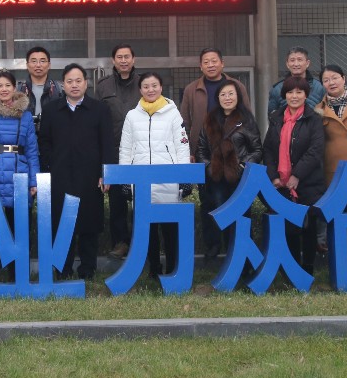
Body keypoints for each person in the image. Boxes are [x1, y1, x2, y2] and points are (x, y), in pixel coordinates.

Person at [38, 63, 116, 280]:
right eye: (69, 81)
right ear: (63, 84)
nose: (74, 85)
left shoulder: (99, 109)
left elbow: (107, 144)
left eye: (78, 81)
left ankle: (88, 269)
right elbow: (44, 142)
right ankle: (62, 269)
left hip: (90, 176)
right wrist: (51, 165)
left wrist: (105, 172)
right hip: (60, 176)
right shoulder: (51, 110)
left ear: (86, 83)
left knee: (89, 223)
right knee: (61, 223)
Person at [179, 47, 251, 260]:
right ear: (200, 66)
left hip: (233, 154)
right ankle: (212, 245)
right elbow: (184, 123)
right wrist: (189, 151)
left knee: (234, 199)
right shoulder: (192, 89)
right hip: (204, 153)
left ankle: (233, 245)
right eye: (206, 62)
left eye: (214, 61)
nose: (210, 65)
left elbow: (247, 117)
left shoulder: (237, 86)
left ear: (222, 63)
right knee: (209, 200)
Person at [120, 72, 191, 279]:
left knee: (170, 228)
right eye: (146, 86)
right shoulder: (132, 116)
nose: (150, 90)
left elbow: (182, 146)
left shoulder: (173, 114)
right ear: (140, 90)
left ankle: (172, 269)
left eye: (154, 85)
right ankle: (154, 268)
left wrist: (184, 177)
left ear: (161, 87)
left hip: (168, 181)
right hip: (142, 183)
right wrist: (126, 180)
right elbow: (125, 149)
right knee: (146, 229)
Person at [0, 71, 41, 278]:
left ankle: (17, 275)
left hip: (19, 175)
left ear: (14, 88)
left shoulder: (25, 115)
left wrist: (34, 181)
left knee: (18, 227)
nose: (4, 89)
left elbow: (32, 151)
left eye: (8, 85)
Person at [262, 75, 325, 275]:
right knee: (289, 226)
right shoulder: (276, 119)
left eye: (299, 92)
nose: (294, 96)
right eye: (290, 92)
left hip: (307, 182)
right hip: (281, 184)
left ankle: (308, 267)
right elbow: (268, 150)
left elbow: (315, 150)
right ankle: (292, 268)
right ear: (284, 95)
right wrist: (274, 176)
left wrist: (297, 175)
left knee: (308, 226)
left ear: (306, 95)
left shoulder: (314, 119)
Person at [196, 78, 262, 261]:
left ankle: (243, 258)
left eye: (231, 94)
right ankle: (222, 252)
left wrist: (242, 166)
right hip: (216, 179)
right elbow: (201, 149)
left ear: (237, 96)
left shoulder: (246, 120)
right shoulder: (210, 119)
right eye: (223, 94)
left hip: (239, 179)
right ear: (218, 98)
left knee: (240, 217)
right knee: (218, 213)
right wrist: (210, 167)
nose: (227, 98)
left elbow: (257, 150)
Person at [95, 43, 141, 259]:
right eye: (119, 57)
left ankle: (141, 242)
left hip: (141, 150)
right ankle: (120, 243)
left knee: (141, 198)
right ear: (113, 60)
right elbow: (96, 119)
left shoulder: (144, 83)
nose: (123, 60)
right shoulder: (103, 86)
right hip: (113, 150)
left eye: (127, 56)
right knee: (117, 201)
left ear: (133, 59)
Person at [267, 46, 326, 113]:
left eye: (299, 60)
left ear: (307, 63)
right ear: (287, 64)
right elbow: (272, 115)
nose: (296, 64)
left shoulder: (319, 87)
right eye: (292, 60)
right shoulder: (277, 89)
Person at [17, 46, 61, 132]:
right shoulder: (19, 90)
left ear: (49, 65)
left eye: (42, 61)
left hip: (52, 135)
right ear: (27, 65)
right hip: (25, 135)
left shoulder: (59, 89)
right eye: (34, 61)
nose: (38, 65)